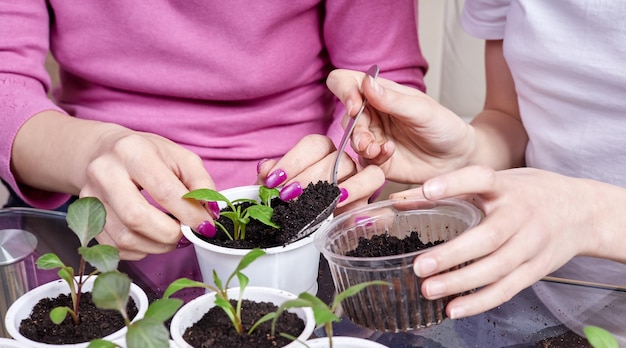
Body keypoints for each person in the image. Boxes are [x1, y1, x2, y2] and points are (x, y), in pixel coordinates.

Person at [0, 1, 427, 260]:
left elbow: (380, 72)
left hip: (293, 202)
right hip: (84, 188)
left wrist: (344, 160)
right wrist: (89, 152)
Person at [324, 1, 626, 320]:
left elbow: (575, 210)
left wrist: (586, 213)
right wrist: (468, 152)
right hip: (531, 296)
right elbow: (510, 116)